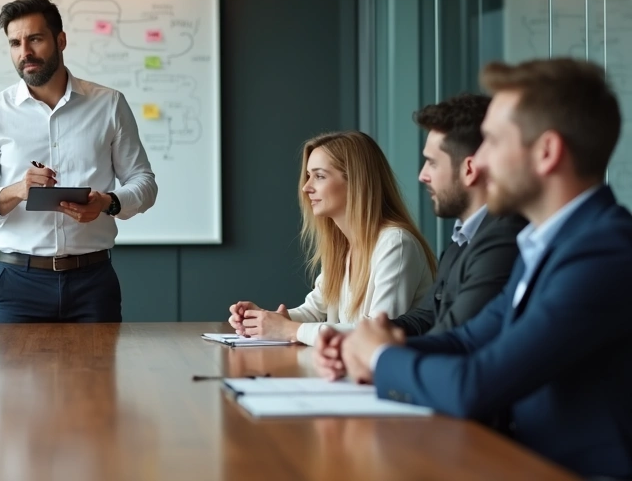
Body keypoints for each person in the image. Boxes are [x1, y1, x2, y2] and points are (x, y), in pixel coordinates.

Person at [334, 58, 632, 479]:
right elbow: (468, 339)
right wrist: (361, 349)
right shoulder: (548, 243)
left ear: (547, 152)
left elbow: (476, 385)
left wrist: (380, 357)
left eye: (491, 141)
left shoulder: (603, 253)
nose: (480, 161)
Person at [0, 0, 158, 323]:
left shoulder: (109, 104)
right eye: (15, 43)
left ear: (60, 40)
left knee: (97, 376)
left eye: (35, 39)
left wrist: (108, 202)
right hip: (18, 282)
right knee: (11, 377)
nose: (25, 52)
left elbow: (144, 183)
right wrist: (17, 190)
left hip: (93, 280)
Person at [228, 131, 436, 346]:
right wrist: (264, 320)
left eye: (319, 176)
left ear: (356, 181)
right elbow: (313, 311)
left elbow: (378, 335)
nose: (306, 187)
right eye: (309, 176)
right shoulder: (343, 246)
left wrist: (289, 329)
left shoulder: (396, 244)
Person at [389, 94, 525, 337]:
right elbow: (428, 316)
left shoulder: (505, 238)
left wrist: (375, 350)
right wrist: (375, 331)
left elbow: (453, 337)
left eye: (432, 163)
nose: (422, 175)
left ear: (469, 169)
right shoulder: (461, 241)